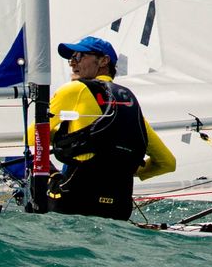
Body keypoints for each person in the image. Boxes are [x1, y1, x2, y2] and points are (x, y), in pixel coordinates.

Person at [36, 35, 175, 220]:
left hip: (73, 201)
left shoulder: (74, 89)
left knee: (27, 160)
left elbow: (32, 137)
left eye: (78, 56)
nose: (72, 63)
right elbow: (167, 163)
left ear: (103, 60)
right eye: (71, 58)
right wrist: (127, 171)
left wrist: (59, 137)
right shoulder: (129, 102)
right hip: (119, 207)